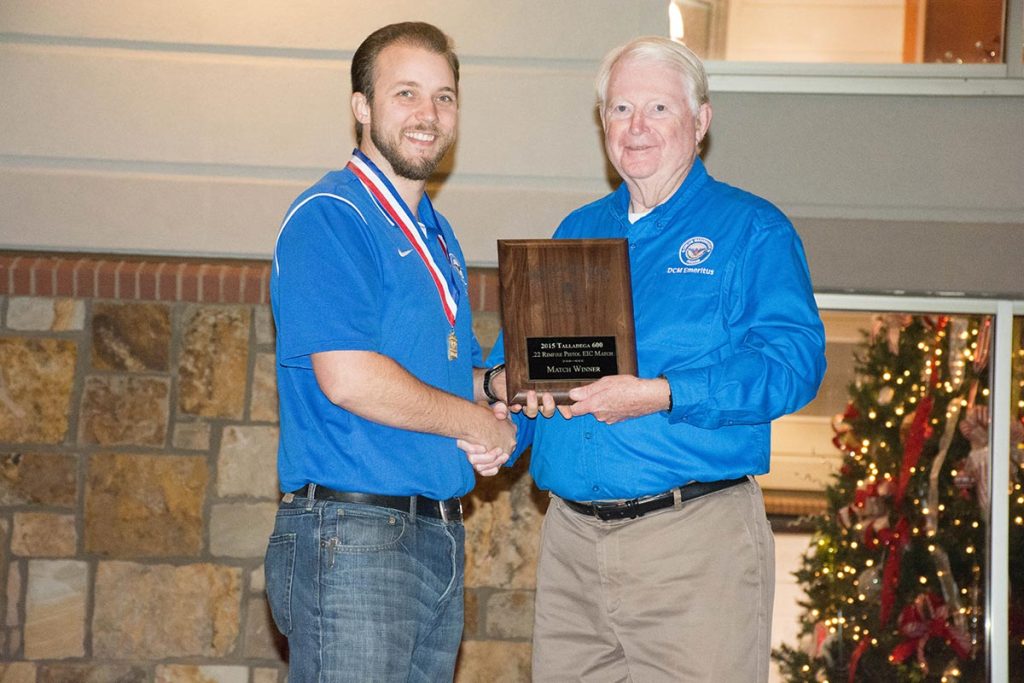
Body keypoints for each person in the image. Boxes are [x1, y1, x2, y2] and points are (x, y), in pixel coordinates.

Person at [482, 37, 827, 682]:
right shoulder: (574, 231)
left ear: (700, 121)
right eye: (620, 110)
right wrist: (504, 425)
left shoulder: (752, 230)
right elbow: (525, 364)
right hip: (570, 547)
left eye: (659, 109)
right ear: (603, 124)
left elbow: (794, 362)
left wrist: (665, 392)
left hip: (694, 543)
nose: (636, 128)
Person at [264, 22, 515, 682]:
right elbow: (350, 377)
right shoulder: (332, 216)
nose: (427, 115)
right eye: (406, 93)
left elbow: (438, 369)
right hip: (354, 531)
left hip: (434, 533)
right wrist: (474, 423)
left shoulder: (440, 236)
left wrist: (493, 386)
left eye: (444, 97)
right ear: (361, 107)